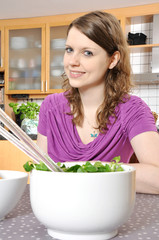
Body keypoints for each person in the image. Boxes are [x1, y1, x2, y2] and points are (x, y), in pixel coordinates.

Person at [37, 11, 159, 194]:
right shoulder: (50, 106)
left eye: (87, 53)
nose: (72, 61)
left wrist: (91, 169)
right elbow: (40, 171)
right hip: (57, 209)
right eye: (69, 49)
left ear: (113, 59)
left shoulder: (132, 109)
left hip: (106, 212)